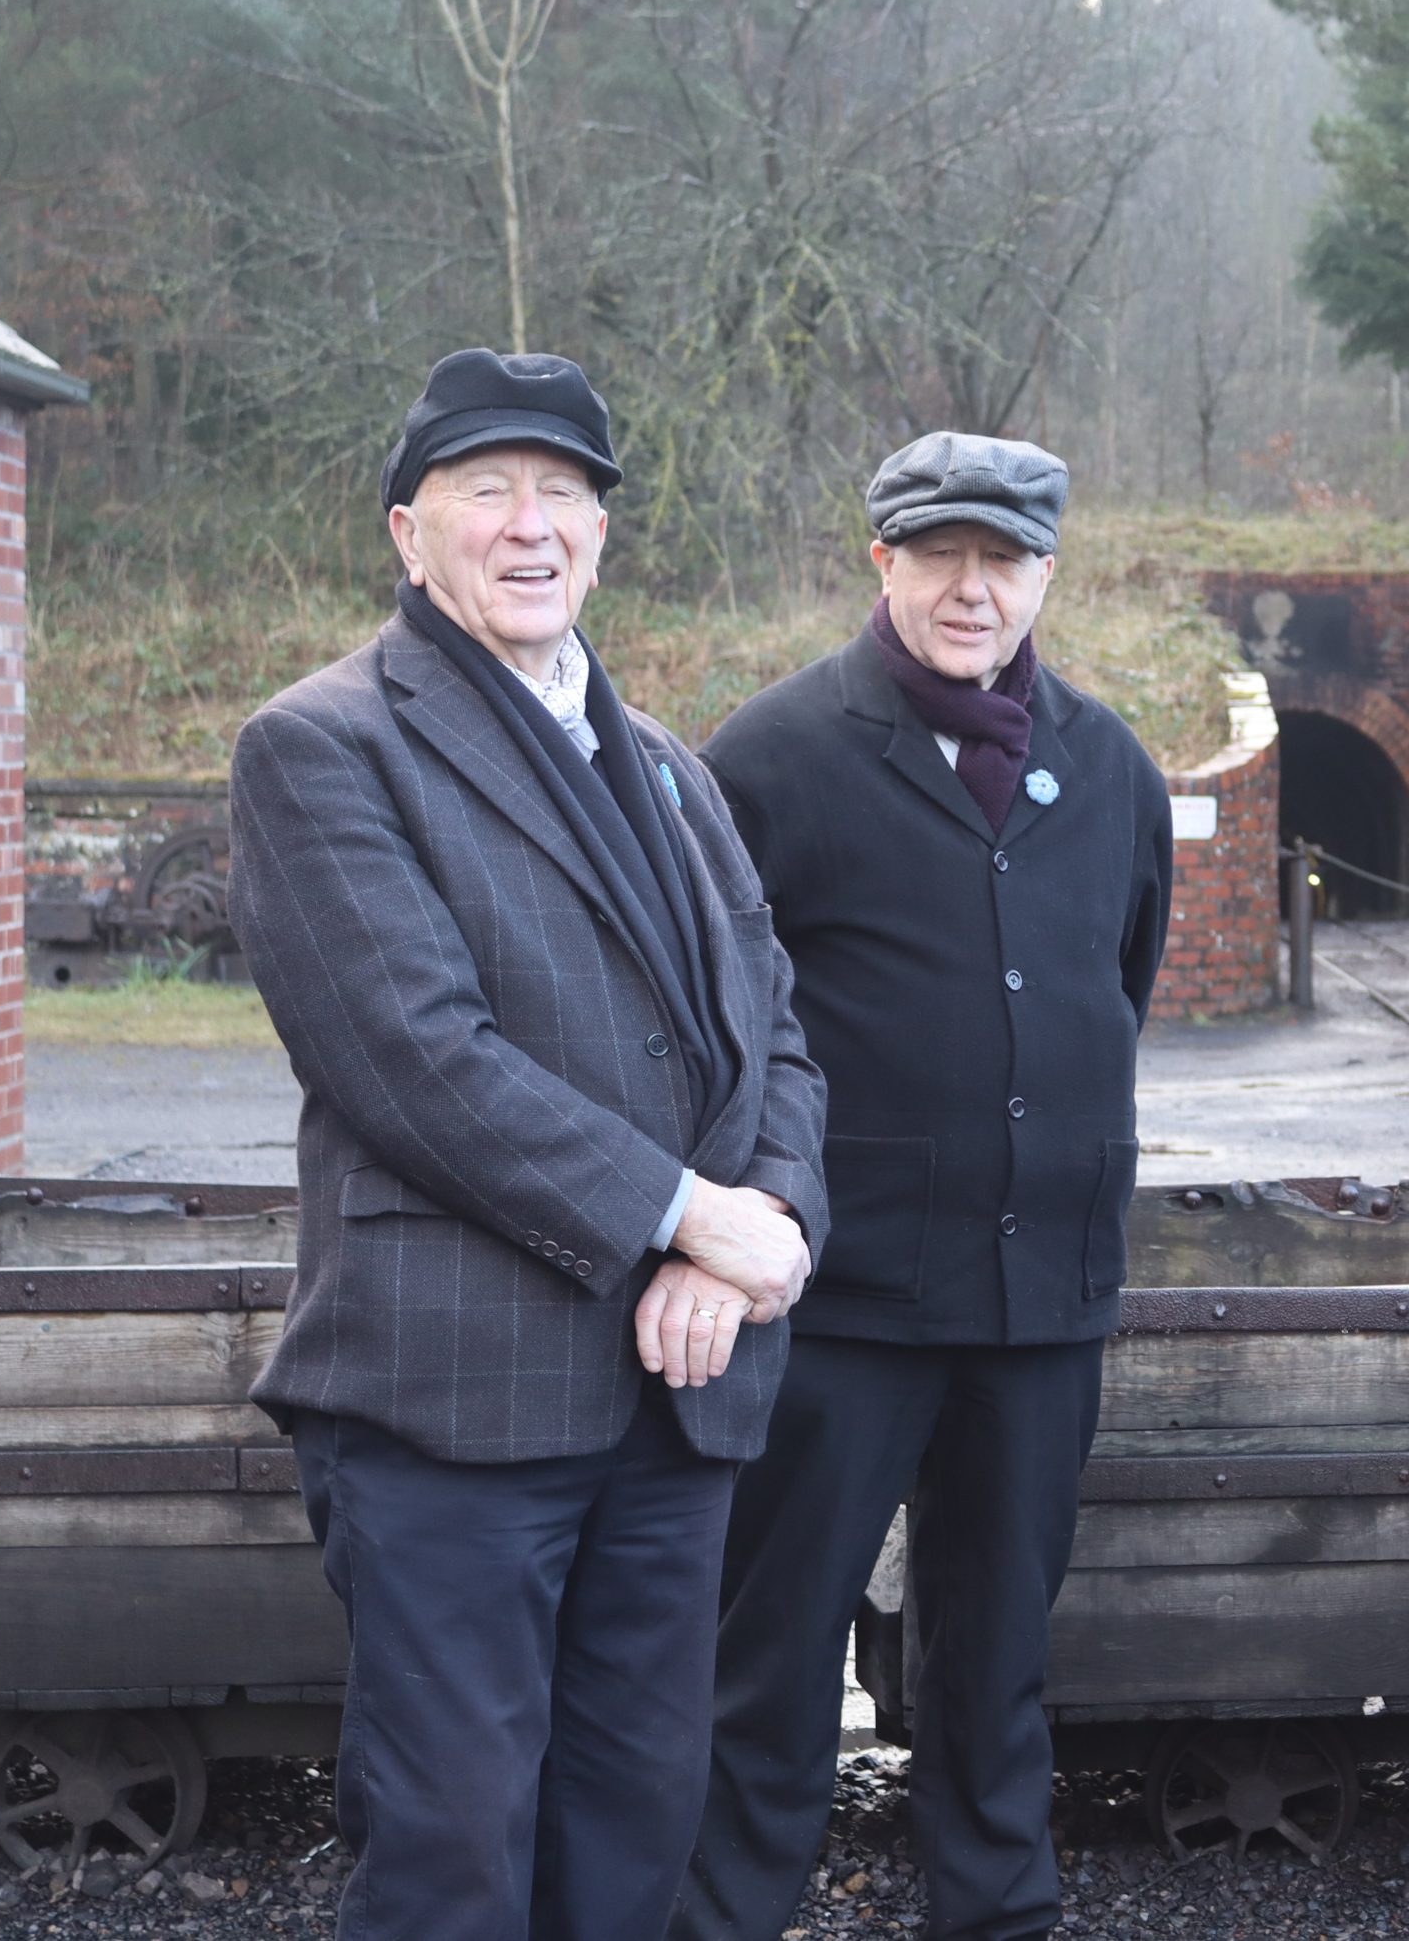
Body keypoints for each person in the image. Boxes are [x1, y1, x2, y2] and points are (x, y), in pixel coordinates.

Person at [224, 347, 829, 1941]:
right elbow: (416, 1063)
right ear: (406, 533)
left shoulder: (676, 776)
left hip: (669, 1402)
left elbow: (773, 1035)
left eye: (563, 491)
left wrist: (757, 1227)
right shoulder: (323, 746)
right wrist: (685, 1216)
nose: (530, 523)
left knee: (634, 1829)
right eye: (486, 489)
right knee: (452, 1853)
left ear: (605, 533)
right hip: (452, 1418)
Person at [673, 432, 1172, 1941]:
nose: (973, 587)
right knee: (769, 1650)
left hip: (1041, 1298)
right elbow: (708, 1029)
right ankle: (726, 1915)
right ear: (881, 560)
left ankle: (995, 1917)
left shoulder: (1110, 766)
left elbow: (1116, 985)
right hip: (838, 1297)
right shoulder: (766, 758)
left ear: (1044, 575)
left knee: (997, 1652)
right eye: (940, 555)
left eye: (1004, 559)